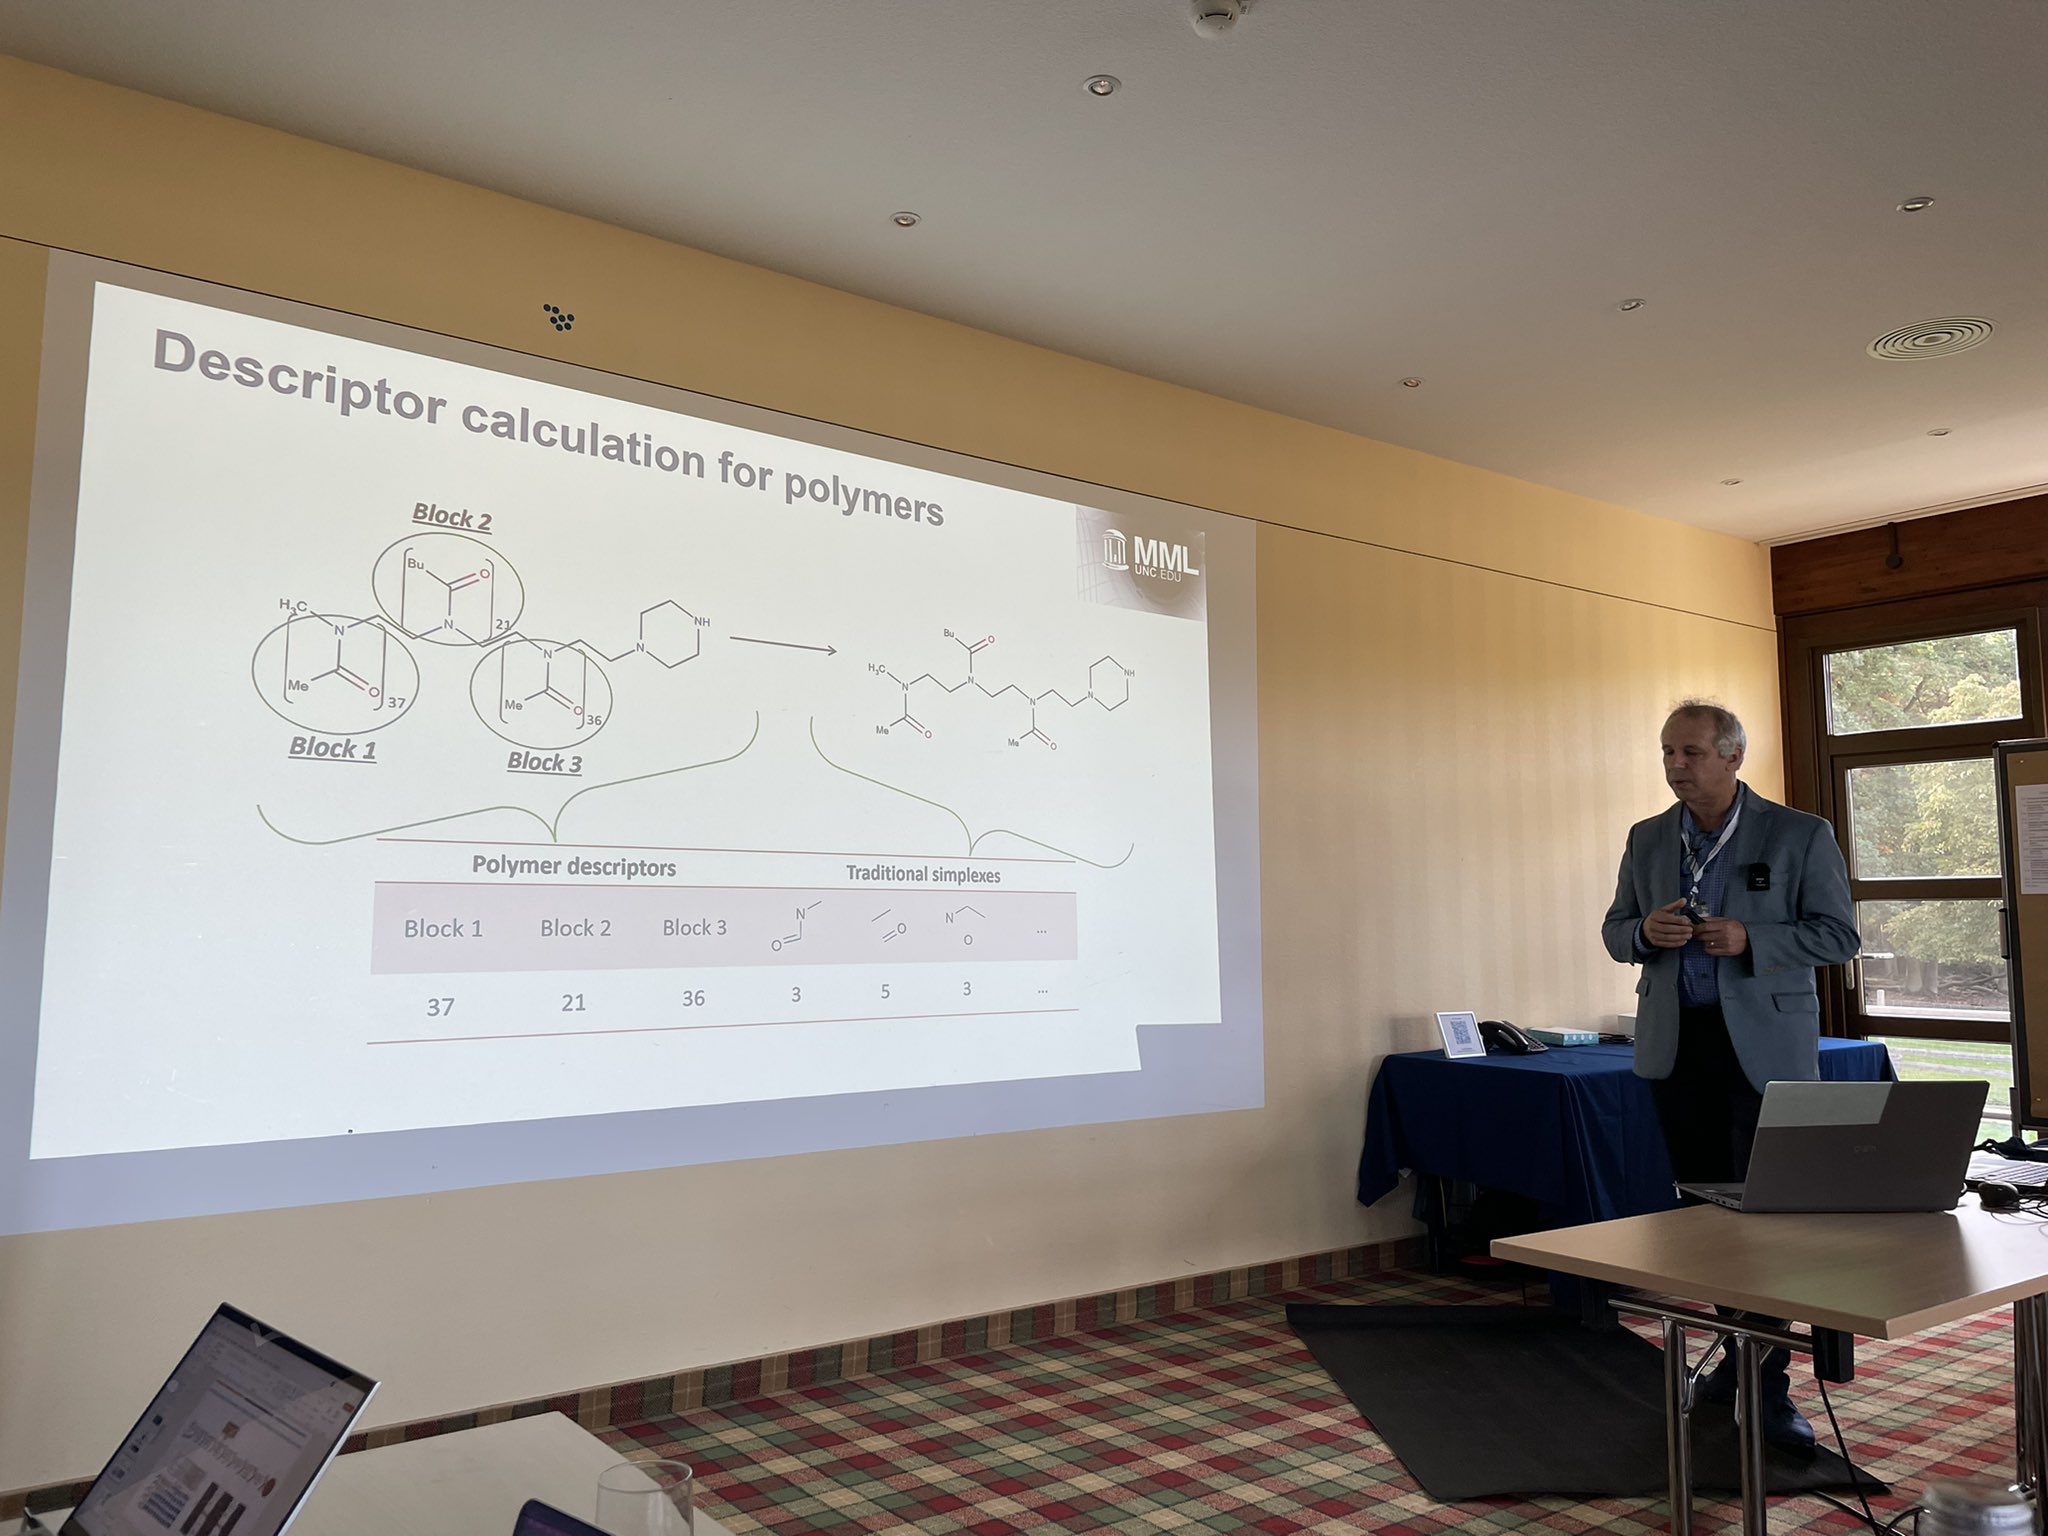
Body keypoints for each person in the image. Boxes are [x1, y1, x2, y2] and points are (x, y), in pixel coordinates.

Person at [1602, 700, 1859, 1456]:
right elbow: (1616, 930)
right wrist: (1644, 932)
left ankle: (1767, 1384)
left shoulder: (1799, 833)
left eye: (1691, 752)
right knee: (1706, 1219)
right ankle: (1738, 1359)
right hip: (1677, 1051)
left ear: (1733, 756)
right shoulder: (1648, 838)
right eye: (1667, 752)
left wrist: (1753, 937)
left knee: (1765, 1223)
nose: (1676, 766)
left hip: (1765, 1054)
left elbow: (1839, 935)